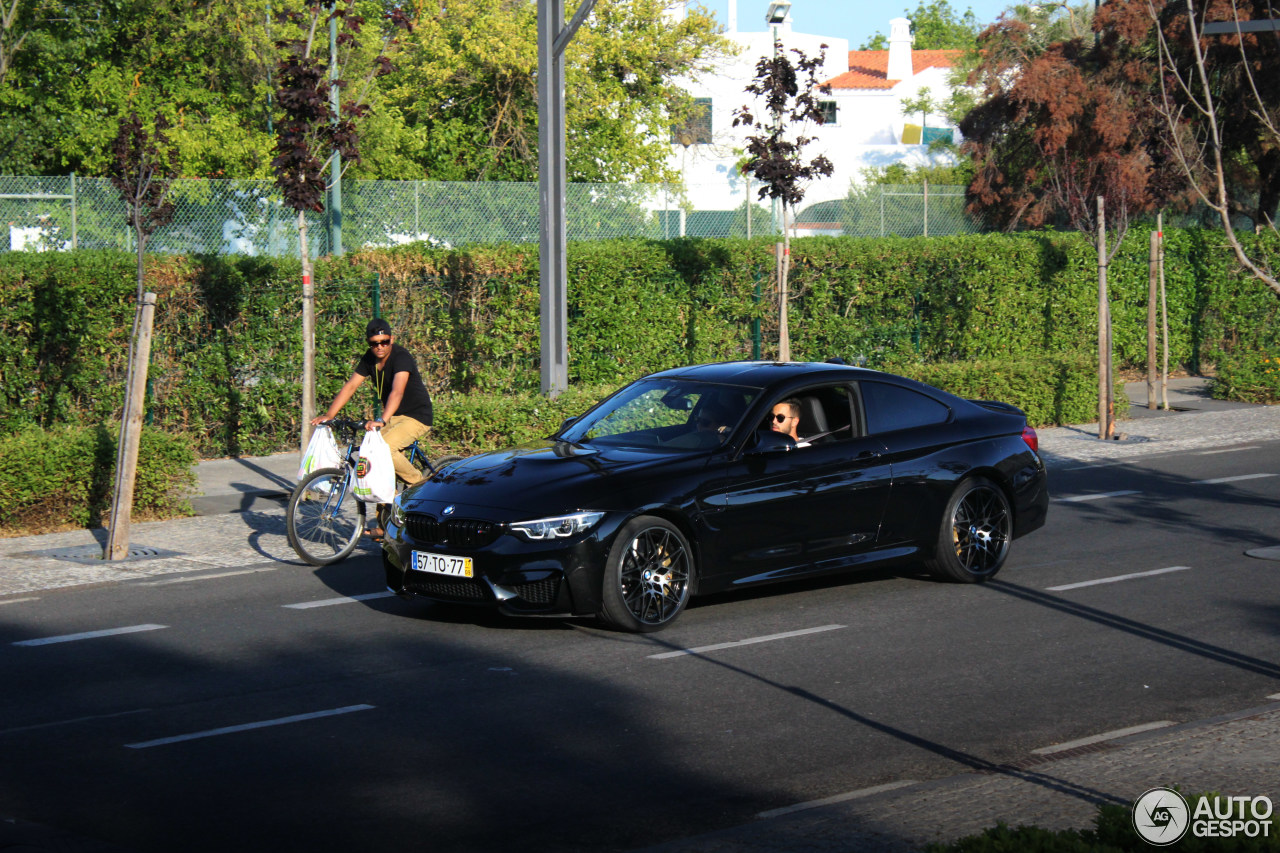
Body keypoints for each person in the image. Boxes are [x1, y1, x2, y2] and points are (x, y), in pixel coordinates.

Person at [311, 319, 433, 532]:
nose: (380, 347)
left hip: (416, 416)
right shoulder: (369, 359)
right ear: (369, 343)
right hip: (394, 416)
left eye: (384, 342)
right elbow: (350, 386)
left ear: (391, 340)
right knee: (372, 457)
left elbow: (397, 391)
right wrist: (329, 415)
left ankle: (419, 485)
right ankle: (385, 526)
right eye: (375, 343)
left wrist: (382, 419)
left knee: (383, 449)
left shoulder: (401, 358)